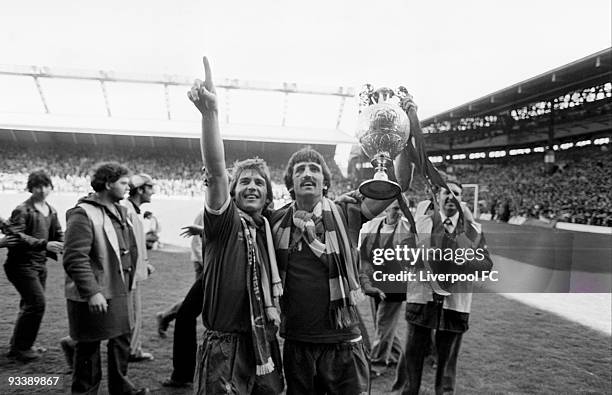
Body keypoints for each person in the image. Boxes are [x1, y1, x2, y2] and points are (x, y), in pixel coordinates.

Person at [188, 56, 284, 394]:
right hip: (225, 348)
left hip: (263, 344)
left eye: (259, 182)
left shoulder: (267, 230)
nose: (252, 186)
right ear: (232, 191)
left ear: (268, 194)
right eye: (244, 181)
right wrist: (210, 115)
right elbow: (215, 169)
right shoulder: (225, 222)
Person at [391, 178, 493, 395]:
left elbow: (485, 265)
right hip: (422, 298)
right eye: (446, 193)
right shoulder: (422, 223)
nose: (450, 197)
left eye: (455, 193)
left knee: (447, 364)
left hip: (455, 304)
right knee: (412, 357)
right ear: (437, 197)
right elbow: (403, 254)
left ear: (461, 200)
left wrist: (463, 260)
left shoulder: (472, 230)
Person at [63, 162, 149, 395]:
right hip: (96, 294)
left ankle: (121, 389)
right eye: (122, 183)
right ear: (108, 183)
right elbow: (74, 258)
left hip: (119, 290)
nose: (127, 187)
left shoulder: (122, 211)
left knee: (121, 340)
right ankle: (85, 391)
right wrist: (92, 292)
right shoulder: (83, 213)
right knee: (88, 348)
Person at [4, 169, 64, 362]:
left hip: (40, 265)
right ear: (31, 188)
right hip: (20, 265)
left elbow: (58, 233)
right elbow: (17, 237)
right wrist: (44, 244)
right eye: (37, 186)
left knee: (30, 305)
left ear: (51, 187)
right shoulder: (22, 210)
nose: (42, 190)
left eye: (45, 185)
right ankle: (21, 348)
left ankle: (21, 345)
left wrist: (65, 245)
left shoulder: (52, 210)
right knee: (37, 304)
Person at [359, 199, 414, 376]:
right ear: (387, 208)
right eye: (395, 208)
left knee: (383, 324)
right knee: (382, 325)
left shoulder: (407, 228)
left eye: (401, 209)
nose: (398, 212)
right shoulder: (373, 225)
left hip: (396, 285)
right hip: (375, 283)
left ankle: (377, 364)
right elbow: (364, 252)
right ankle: (398, 355)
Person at [160, 210, 206, 389]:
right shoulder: (212, 208)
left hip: (220, 271)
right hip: (210, 270)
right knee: (186, 315)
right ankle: (183, 373)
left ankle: (184, 374)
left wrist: (203, 231)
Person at [122, 173, 156, 362]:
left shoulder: (131, 210)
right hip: (129, 274)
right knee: (132, 313)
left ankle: (133, 349)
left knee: (131, 313)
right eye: (150, 187)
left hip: (133, 271)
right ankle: (132, 351)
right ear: (140, 189)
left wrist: (145, 264)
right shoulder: (128, 211)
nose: (153, 191)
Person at [156, 209, 204, 339]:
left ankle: (166, 315)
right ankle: (166, 315)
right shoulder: (206, 212)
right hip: (204, 264)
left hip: (213, 263)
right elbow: (196, 241)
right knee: (199, 299)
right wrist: (204, 262)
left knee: (202, 299)